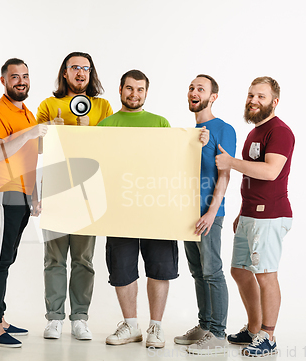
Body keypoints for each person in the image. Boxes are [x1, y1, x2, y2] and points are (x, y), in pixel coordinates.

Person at [97, 70, 209, 349]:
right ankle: (131, 326)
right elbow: (97, 165)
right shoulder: (106, 125)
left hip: (156, 207)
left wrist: (197, 143)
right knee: (121, 269)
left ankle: (155, 328)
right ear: (120, 90)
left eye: (140, 90)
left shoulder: (160, 122)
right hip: (119, 209)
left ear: (146, 93)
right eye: (130, 89)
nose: (134, 94)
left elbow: (173, 161)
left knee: (160, 268)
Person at [215, 76, 294, 357]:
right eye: (250, 95)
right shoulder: (254, 132)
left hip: (270, 215)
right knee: (239, 270)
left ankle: (268, 336)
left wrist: (231, 162)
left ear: (274, 102)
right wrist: (242, 212)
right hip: (250, 215)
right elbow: (252, 175)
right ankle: (253, 328)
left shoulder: (280, 132)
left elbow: (270, 172)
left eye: (260, 96)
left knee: (265, 274)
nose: (253, 101)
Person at [36, 51, 112, 340]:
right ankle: (54, 318)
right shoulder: (48, 105)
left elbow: (108, 147)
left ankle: (80, 318)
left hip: (88, 193)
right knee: (54, 259)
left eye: (86, 68)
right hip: (56, 189)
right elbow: (37, 149)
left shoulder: (103, 106)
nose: (80, 72)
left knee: (83, 259)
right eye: (74, 68)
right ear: (64, 72)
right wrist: (50, 134)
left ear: (90, 74)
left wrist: (87, 131)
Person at [0, 58, 48, 348]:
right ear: (3, 81)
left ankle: (1, 316)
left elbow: (29, 157)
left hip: (21, 193)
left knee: (7, 257)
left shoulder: (27, 113)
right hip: (0, 191)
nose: (21, 81)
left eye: (25, 76)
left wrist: (33, 195)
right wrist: (32, 132)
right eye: (14, 76)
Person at [174, 75, 236, 355]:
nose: (194, 92)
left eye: (201, 88)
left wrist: (212, 212)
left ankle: (218, 335)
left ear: (213, 97)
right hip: (188, 213)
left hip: (209, 214)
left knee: (212, 272)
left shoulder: (224, 129)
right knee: (198, 272)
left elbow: (225, 174)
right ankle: (205, 326)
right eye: (191, 88)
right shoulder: (191, 134)